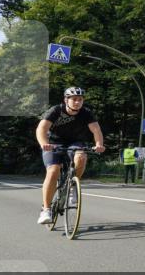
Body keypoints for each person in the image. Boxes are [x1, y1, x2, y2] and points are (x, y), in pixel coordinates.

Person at [36, 87, 106, 224]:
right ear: (66, 100)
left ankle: (73, 186)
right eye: (74, 99)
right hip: (53, 143)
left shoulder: (86, 113)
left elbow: (96, 129)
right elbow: (41, 128)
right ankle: (46, 210)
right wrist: (44, 143)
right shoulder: (56, 110)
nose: (77, 102)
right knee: (53, 170)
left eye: (80, 100)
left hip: (75, 143)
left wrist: (99, 144)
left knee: (81, 156)